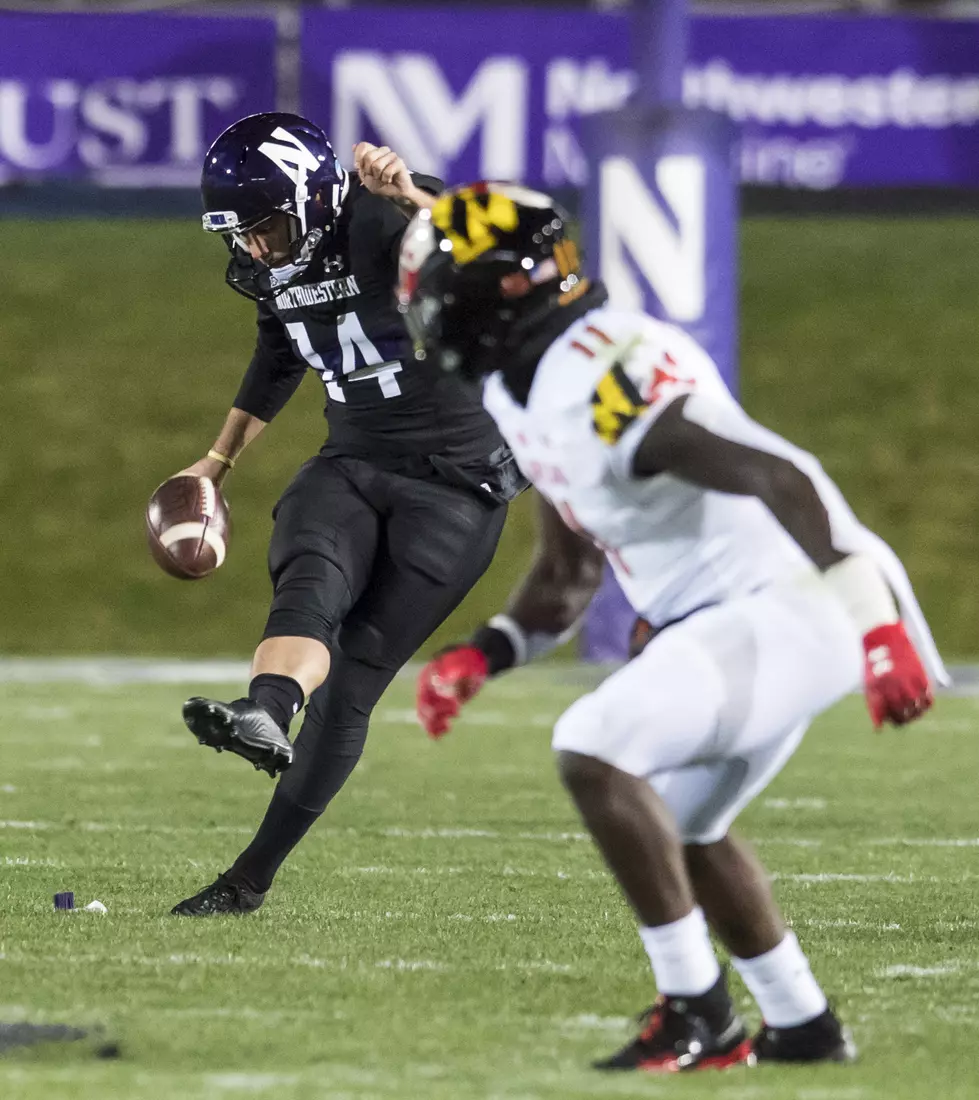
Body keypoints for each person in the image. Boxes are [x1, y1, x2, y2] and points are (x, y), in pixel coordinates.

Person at [401, 183, 946, 1071]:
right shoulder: (520, 387)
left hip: (803, 599)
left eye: (435, 291)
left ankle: (696, 1010)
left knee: (593, 744)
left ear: (498, 294)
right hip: (737, 615)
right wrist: (485, 652)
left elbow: (785, 476)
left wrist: (874, 629)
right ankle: (801, 1024)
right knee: (685, 825)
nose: (425, 311)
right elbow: (571, 566)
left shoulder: (603, 369)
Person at [168, 116, 525, 916]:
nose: (257, 249)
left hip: (456, 484)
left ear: (313, 194)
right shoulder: (274, 263)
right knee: (307, 576)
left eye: (268, 227)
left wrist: (407, 194)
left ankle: (247, 880)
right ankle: (264, 710)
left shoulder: (379, 220)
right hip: (354, 459)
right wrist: (216, 461)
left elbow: (486, 255)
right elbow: (280, 347)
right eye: (244, 234)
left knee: (356, 677)